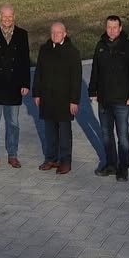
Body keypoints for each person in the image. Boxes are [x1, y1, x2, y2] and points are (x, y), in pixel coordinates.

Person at [88, 15, 129, 182]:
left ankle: (123, 167)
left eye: (114, 27)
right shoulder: (100, 46)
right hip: (104, 99)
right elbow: (95, 70)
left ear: (120, 28)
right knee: (106, 134)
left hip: (122, 100)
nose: (111, 30)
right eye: (108, 27)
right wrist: (92, 91)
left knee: (122, 135)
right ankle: (110, 164)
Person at [0, 3, 30, 169]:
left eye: (10, 16)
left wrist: (25, 83)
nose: (7, 19)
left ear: (14, 16)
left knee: (13, 123)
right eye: (4, 16)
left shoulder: (22, 34)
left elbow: (25, 61)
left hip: (14, 86)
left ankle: (13, 155)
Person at [32, 22, 82, 175]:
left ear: (64, 34)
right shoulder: (44, 49)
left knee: (64, 134)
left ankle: (65, 161)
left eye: (58, 32)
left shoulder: (72, 52)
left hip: (64, 101)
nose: (55, 35)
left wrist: (74, 101)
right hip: (47, 99)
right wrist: (37, 94)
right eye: (53, 32)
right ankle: (51, 159)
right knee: (50, 133)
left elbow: (76, 79)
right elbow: (38, 72)